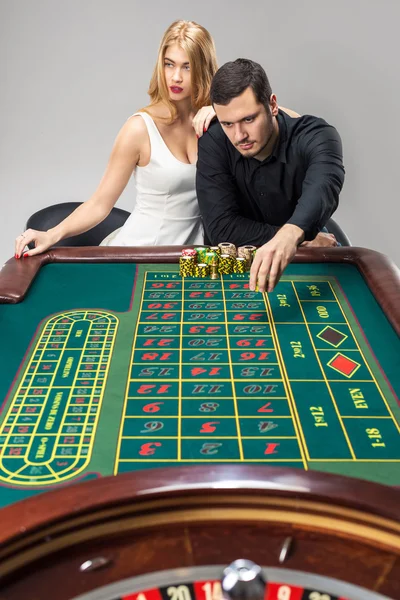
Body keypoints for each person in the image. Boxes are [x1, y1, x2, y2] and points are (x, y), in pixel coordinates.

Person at [14, 20, 219, 258]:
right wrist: (52, 234)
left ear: (203, 70)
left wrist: (222, 113)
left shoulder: (214, 126)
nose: (175, 77)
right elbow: (100, 203)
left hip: (192, 257)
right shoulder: (139, 128)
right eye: (169, 64)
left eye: (187, 67)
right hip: (139, 254)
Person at [196, 58, 345, 293]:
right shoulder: (214, 143)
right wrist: (294, 239)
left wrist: (292, 233)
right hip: (238, 265)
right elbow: (222, 229)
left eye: (248, 119)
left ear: (273, 105)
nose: (239, 136)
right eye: (227, 123)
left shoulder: (317, 135)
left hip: (307, 258)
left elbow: (324, 186)